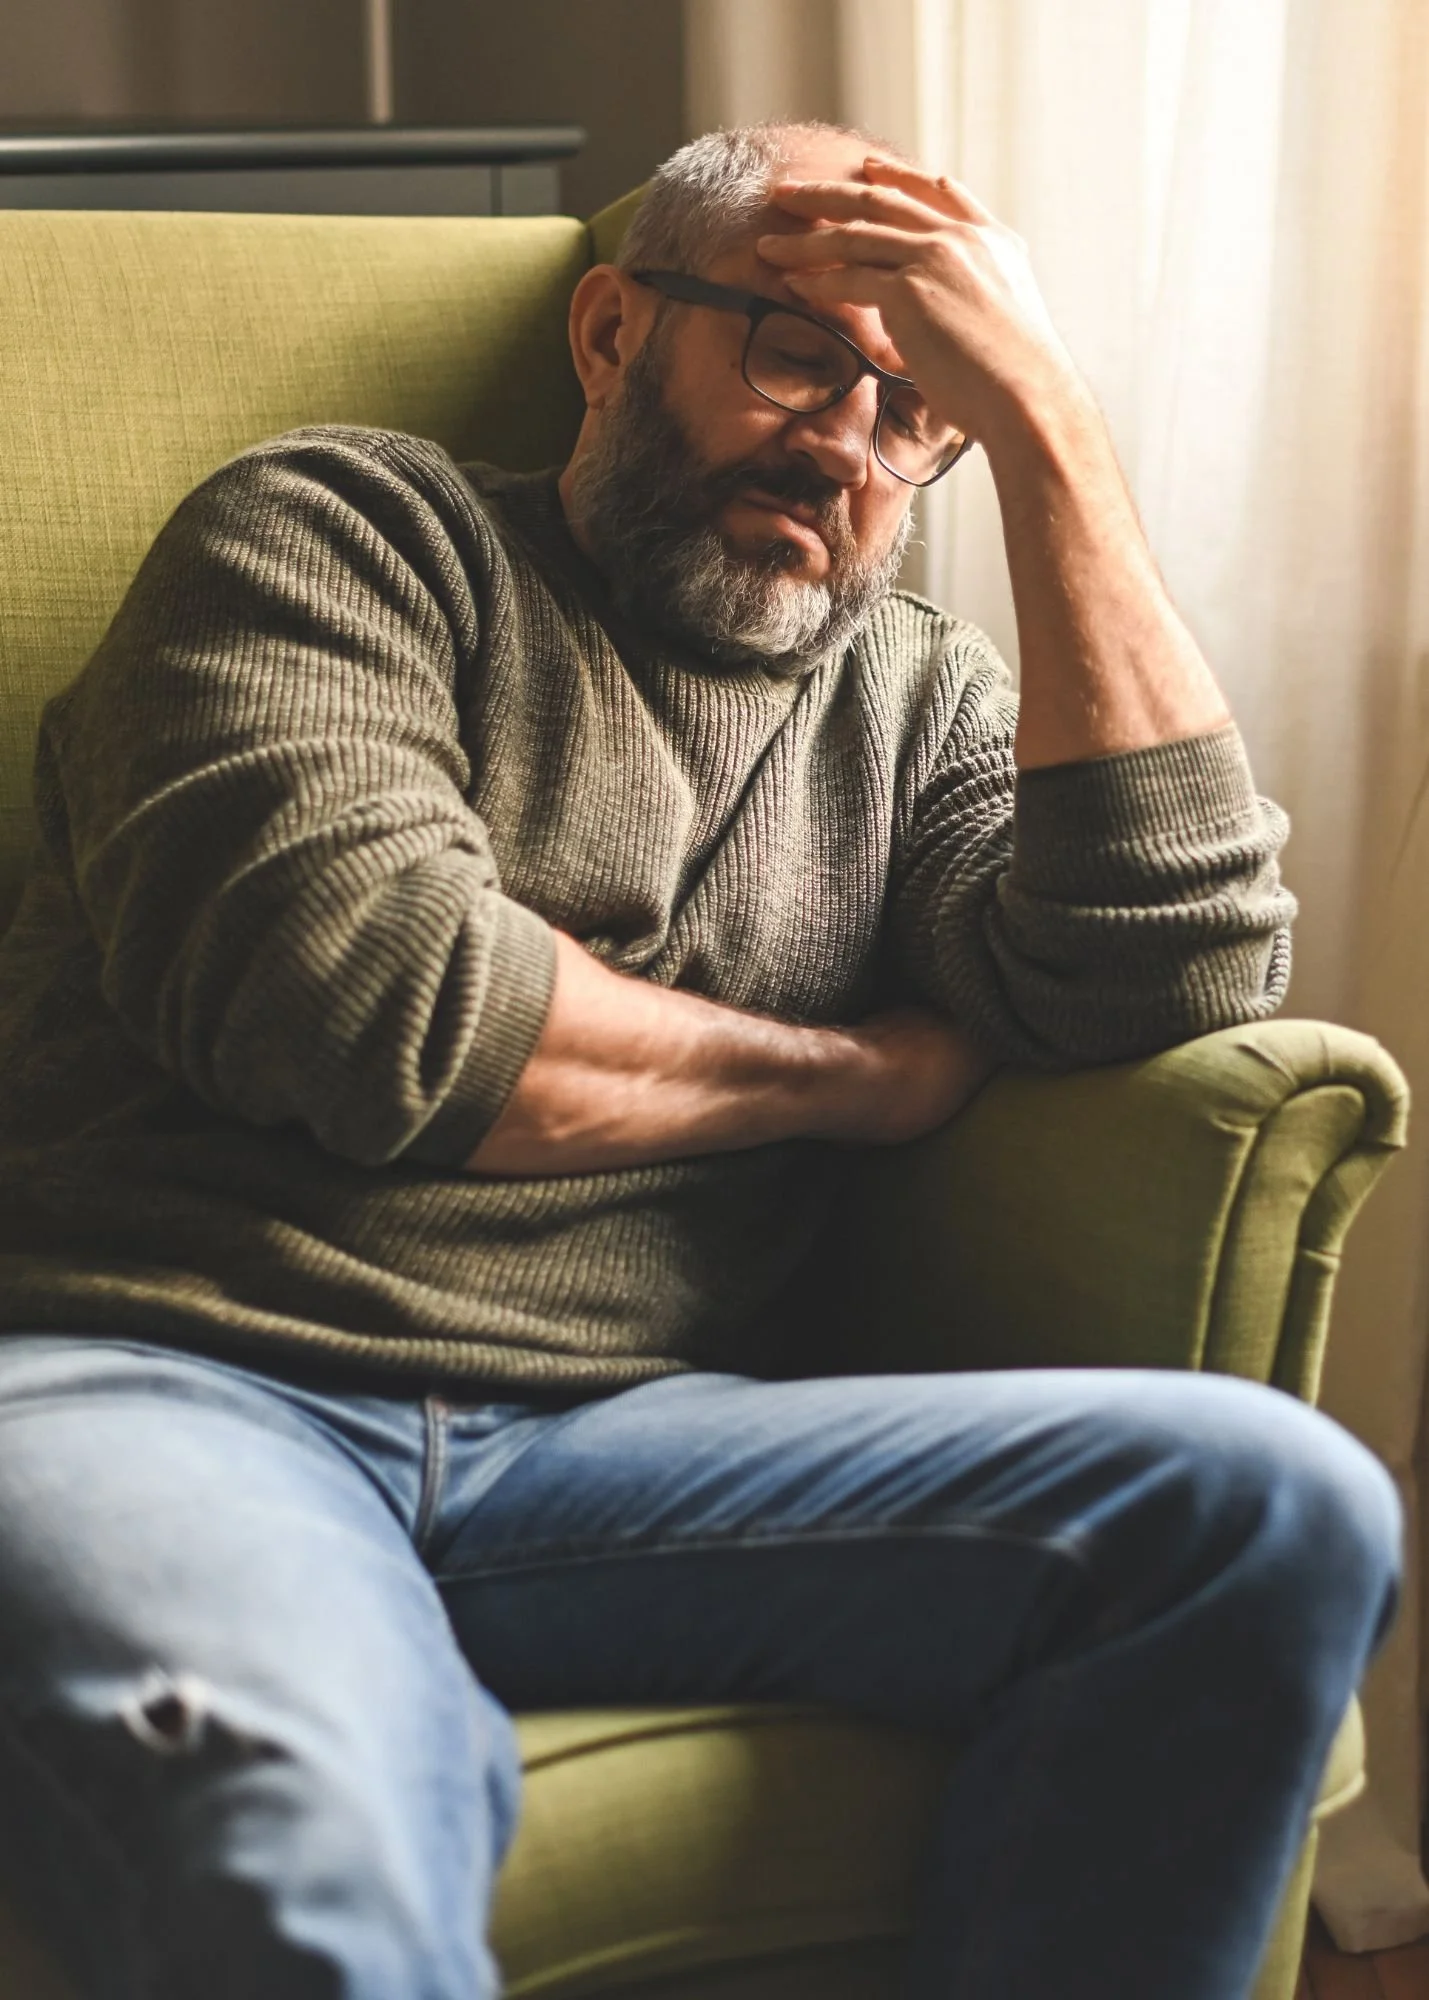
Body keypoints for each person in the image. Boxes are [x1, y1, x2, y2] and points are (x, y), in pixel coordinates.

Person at [0, 120, 1399, 2000]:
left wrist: (1054, 429)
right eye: (799, 353)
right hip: (161, 1380)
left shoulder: (915, 699)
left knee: (1271, 1504)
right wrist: (860, 1076)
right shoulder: (338, 534)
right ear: (611, 333)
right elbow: (383, 1009)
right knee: (291, 1820)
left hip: (617, 1450)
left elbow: (1177, 969)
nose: (846, 443)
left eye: (920, 412)